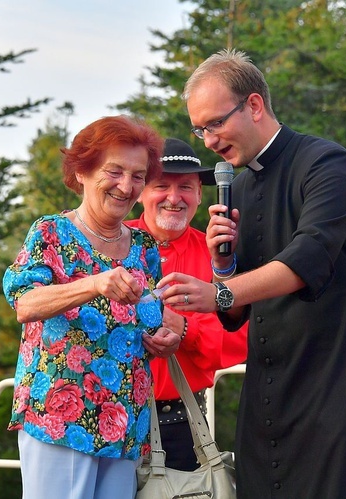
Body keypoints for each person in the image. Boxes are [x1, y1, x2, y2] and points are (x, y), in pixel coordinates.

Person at [156, 48, 346, 497]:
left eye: (215, 123)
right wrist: (222, 265)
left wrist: (221, 292)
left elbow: (309, 257)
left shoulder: (326, 163)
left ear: (254, 105)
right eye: (200, 129)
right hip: (274, 386)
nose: (209, 141)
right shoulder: (238, 184)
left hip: (343, 377)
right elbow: (235, 312)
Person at [2, 115, 182, 499]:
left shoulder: (145, 248)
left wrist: (166, 338)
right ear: (81, 172)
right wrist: (93, 284)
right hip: (61, 422)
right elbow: (25, 303)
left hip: (125, 427)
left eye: (137, 176)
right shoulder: (51, 233)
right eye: (114, 171)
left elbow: (149, 322)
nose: (126, 186)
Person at [125, 137, 248, 471]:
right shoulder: (109, 244)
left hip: (182, 425)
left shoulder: (221, 257)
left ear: (200, 195)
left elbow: (244, 338)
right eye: (161, 185)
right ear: (140, 192)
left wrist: (187, 329)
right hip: (111, 421)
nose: (173, 198)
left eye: (186, 187)